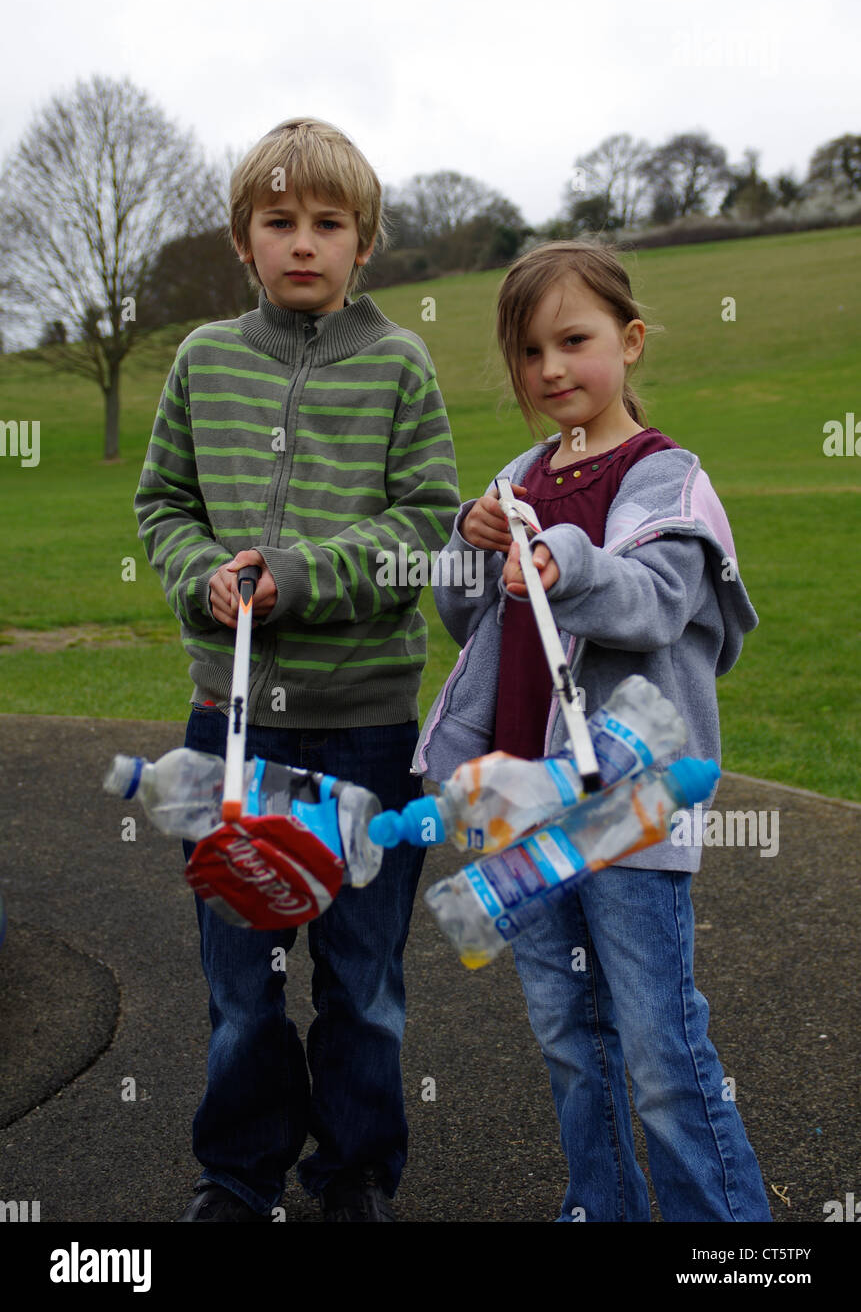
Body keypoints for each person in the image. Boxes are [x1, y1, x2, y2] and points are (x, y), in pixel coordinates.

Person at [135, 117, 460, 1222]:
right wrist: (200, 577)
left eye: (330, 223)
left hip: (368, 734)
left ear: (364, 244)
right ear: (244, 239)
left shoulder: (401, 364)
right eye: (281, 221)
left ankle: (356, 1176)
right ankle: (238, 1177)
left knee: (362, 987)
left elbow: (425, 525)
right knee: (241, 989)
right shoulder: (201, 360)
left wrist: (298, 572)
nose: (305, 242)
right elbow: (163, 506)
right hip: (234, 729)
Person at [415, 241, 772, 1222]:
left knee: (660, 1043)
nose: (551, 369)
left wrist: (561, 556)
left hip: (625, 802)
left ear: (632, 338)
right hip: (519, 796)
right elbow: (469, 623)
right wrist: (469, 544)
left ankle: (727, 1236)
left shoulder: (667, 476)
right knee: (571, 1034)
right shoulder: (517, 474)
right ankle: (600, 1205)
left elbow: (657, 600)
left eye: (574, 340)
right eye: (530, 352)